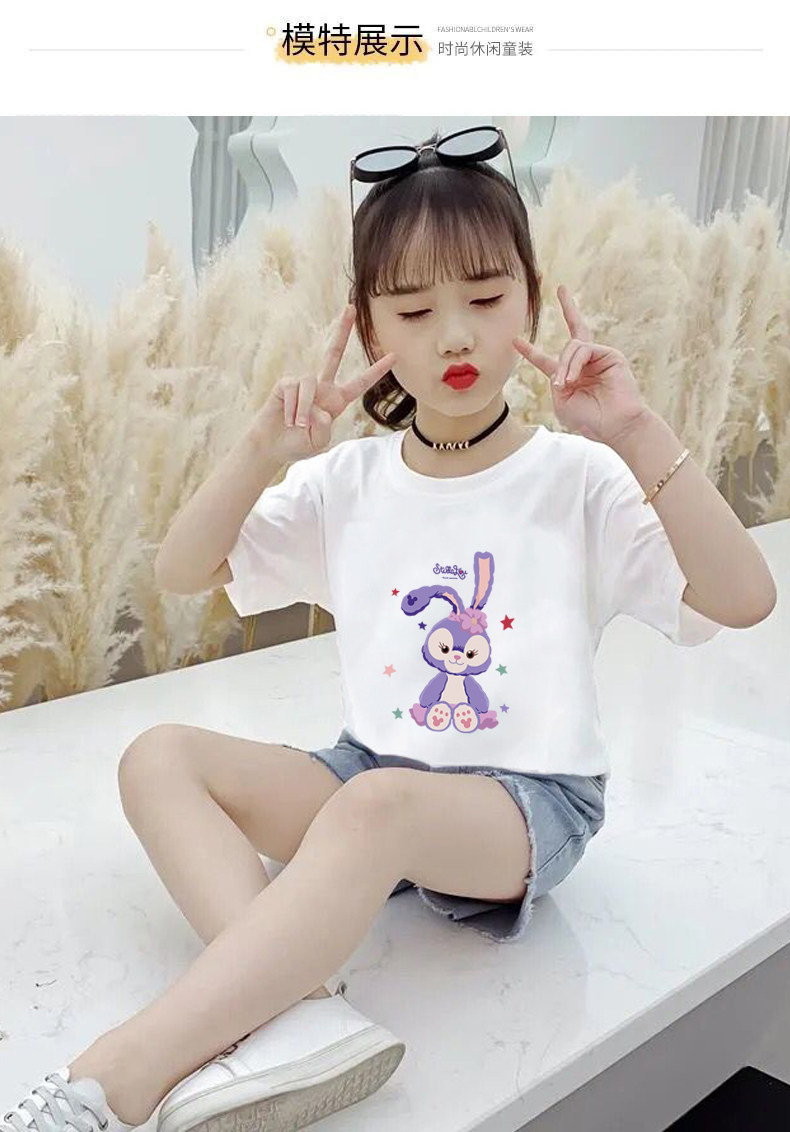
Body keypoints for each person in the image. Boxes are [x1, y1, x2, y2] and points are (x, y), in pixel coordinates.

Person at [4, 125, 776, 1132]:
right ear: (369, 329)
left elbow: (744, 598)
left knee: (373, 809)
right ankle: (303, 1020)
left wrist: (636, 431)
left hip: (525, 806)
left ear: (531, 301)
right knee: (159, 757)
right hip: (370, 774)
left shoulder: (576, 476)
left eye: (486, 299)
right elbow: (182, 571)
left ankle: (119, 1076)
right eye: (413, 310)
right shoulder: (350, 482)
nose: (453, 336)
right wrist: (262, 449)